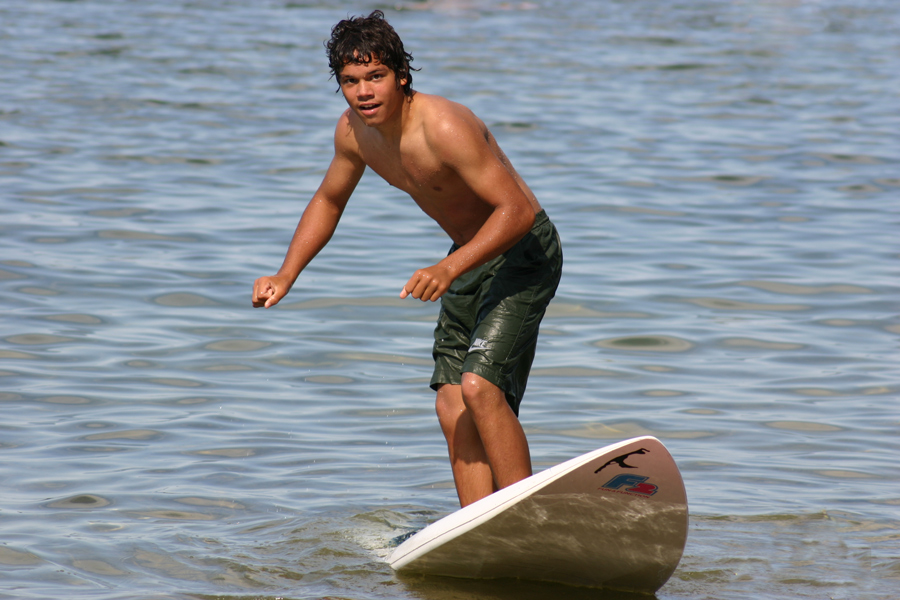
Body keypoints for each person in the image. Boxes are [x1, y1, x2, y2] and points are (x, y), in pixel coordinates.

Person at [252, 10, 562, 507]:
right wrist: (286, 274)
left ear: (400, 75)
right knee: (450, 401)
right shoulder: (354, 134)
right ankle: (478, 524)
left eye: (375, 76)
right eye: (350, 81)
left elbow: (518, 212)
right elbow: (328, 200)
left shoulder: (443, 125)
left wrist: (448, 268)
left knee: (481, 388)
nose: (364, 92)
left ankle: (525, 514)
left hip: (522, 252)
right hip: (466, 256)